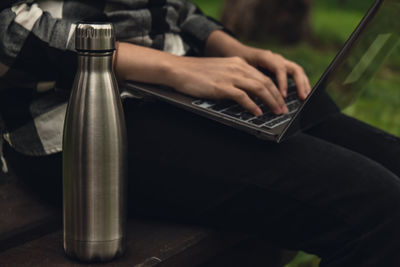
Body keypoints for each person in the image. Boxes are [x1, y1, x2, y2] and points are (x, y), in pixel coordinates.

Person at [1, 1, 400, 266]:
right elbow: (8, 26)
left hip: (173, 87)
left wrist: (232, 49)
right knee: (379, 210)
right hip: (76, 115)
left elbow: (169, 10)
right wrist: (177, 69)